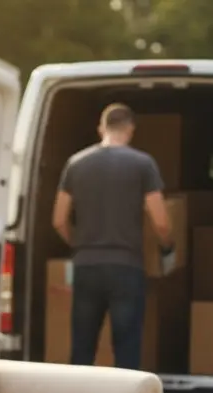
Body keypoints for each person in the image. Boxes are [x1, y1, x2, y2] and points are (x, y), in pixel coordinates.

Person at [52, 103, 175, 370]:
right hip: (126, 269)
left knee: (82, 348)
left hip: (86, 268)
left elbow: (59, 220)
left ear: (101, 128)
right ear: (130, 129)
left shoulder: (76, 163)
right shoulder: (143, 164)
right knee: (126, 347)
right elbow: (161, 222)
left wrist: (79, 244)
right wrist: (168, 248)